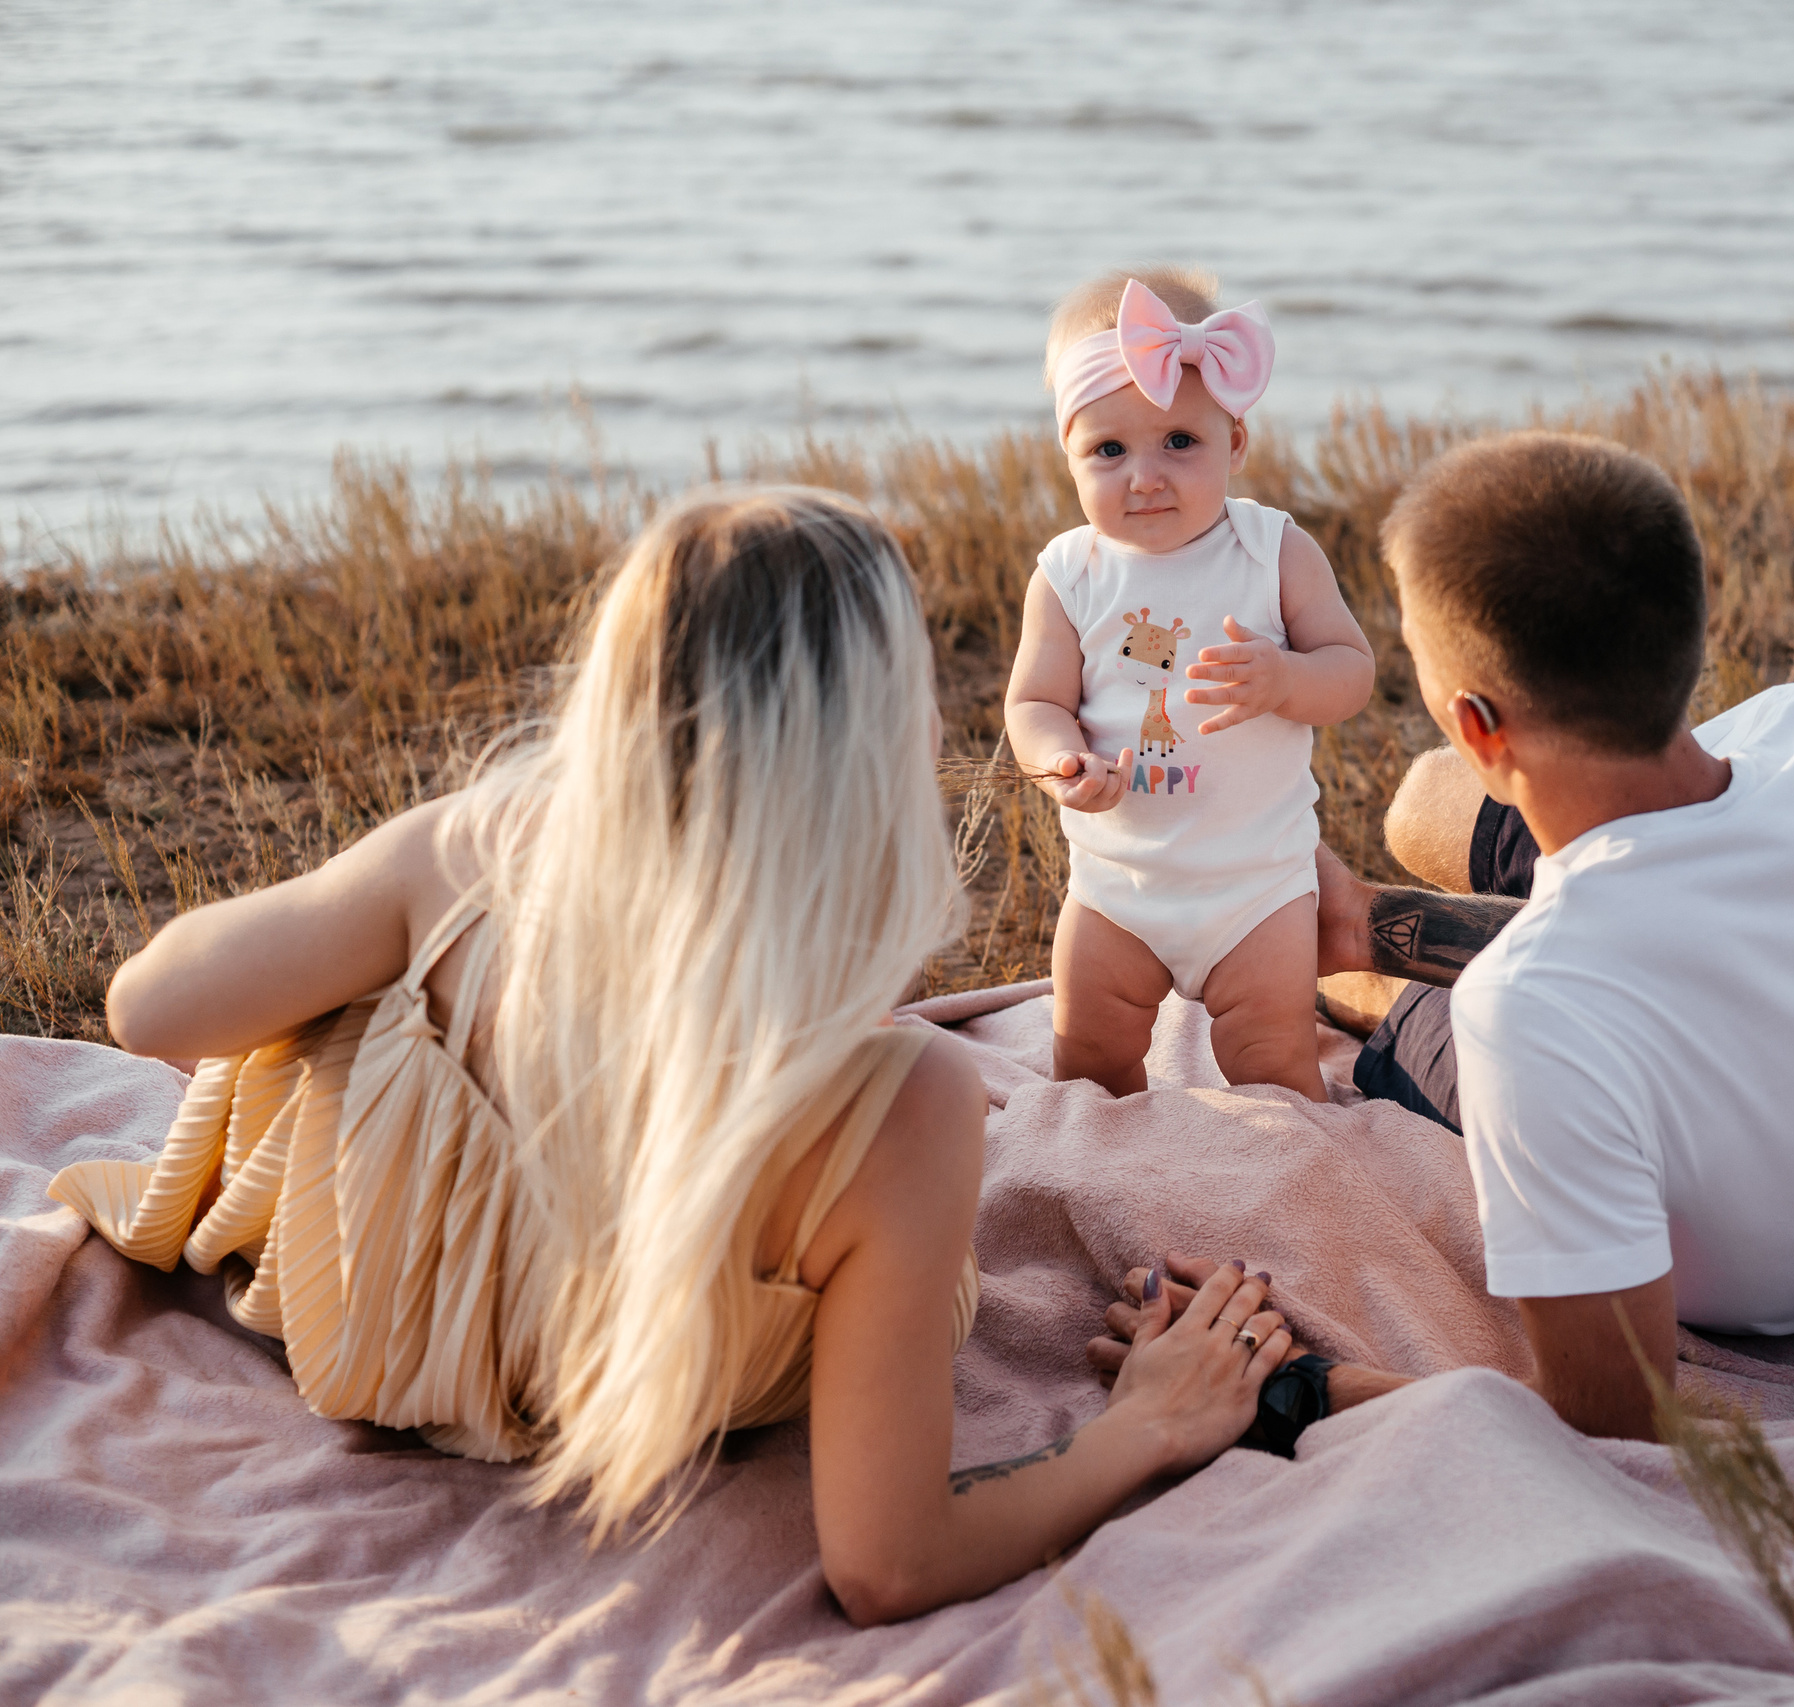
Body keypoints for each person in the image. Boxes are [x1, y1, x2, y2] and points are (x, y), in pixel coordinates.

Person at [52, 487, 1302, 1625]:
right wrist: (1137, 1430)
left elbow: (151, 1010)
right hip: (650, 1385)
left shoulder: (466, 854)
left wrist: (387, 909)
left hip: (379, 1348)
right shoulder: (901, 1111)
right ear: (873, 745)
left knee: (335, 993)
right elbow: (890, 1565)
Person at [1093, 432, 1794, 1441]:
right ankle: (1361, 925)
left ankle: (1355, 954)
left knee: (1460, 939)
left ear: (1477, 723)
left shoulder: (1526, 1014)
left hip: (1722, 1174)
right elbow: (1648, 918)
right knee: (1423, 807)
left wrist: (1283, 1388)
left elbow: (1611, 1417)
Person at [1005, 268, 1376, 1102]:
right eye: (1109, 450)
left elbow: (1352, 672)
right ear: (1067, 455)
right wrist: (1060, 761)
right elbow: (1033, 703)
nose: (1145, 475)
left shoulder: (1273, 552)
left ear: (1235, 442)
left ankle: (1279, 1183)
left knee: (1275, 1063)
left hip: (1257, 886)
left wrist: (1286, 678)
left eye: (1180, 441)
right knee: (1088, 1061)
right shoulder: (1069, 574)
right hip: (1118, 885)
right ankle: (1122, 1185)